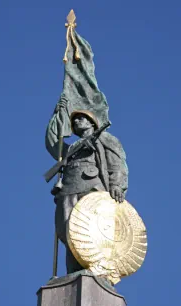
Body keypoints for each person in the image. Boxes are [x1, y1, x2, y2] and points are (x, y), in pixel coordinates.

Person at [45, 97, 128, 273]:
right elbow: (53, 143)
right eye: (74, 120)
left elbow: (117, 163)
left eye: (81, 118)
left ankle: (98, 269)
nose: (76, 121)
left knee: (93, 229)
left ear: (92, 122)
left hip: (92, 188)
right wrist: (56, 116)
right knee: (68, 232)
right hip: (68, 190)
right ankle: (74, 271)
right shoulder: (71, 148)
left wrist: (117, 185)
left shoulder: (104, 138)